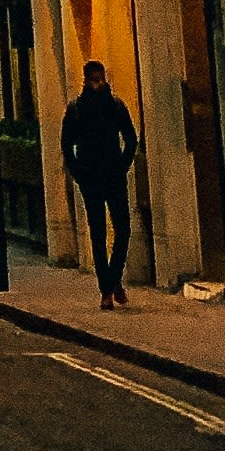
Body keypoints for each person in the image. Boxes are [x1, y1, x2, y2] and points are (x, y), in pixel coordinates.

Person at [59, 59, 140, 307]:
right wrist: (79, 172)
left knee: (122, 229)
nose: (97, 82)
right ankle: (108, 287)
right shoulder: (77, 109)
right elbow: (66, 145)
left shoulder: (114, 106)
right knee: (98, 232)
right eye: (93, 78)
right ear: (86, 79)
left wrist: (122, 165)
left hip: (110, 175)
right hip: (94, 177)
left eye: (99, 78)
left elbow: (131, 138)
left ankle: (110, 281)